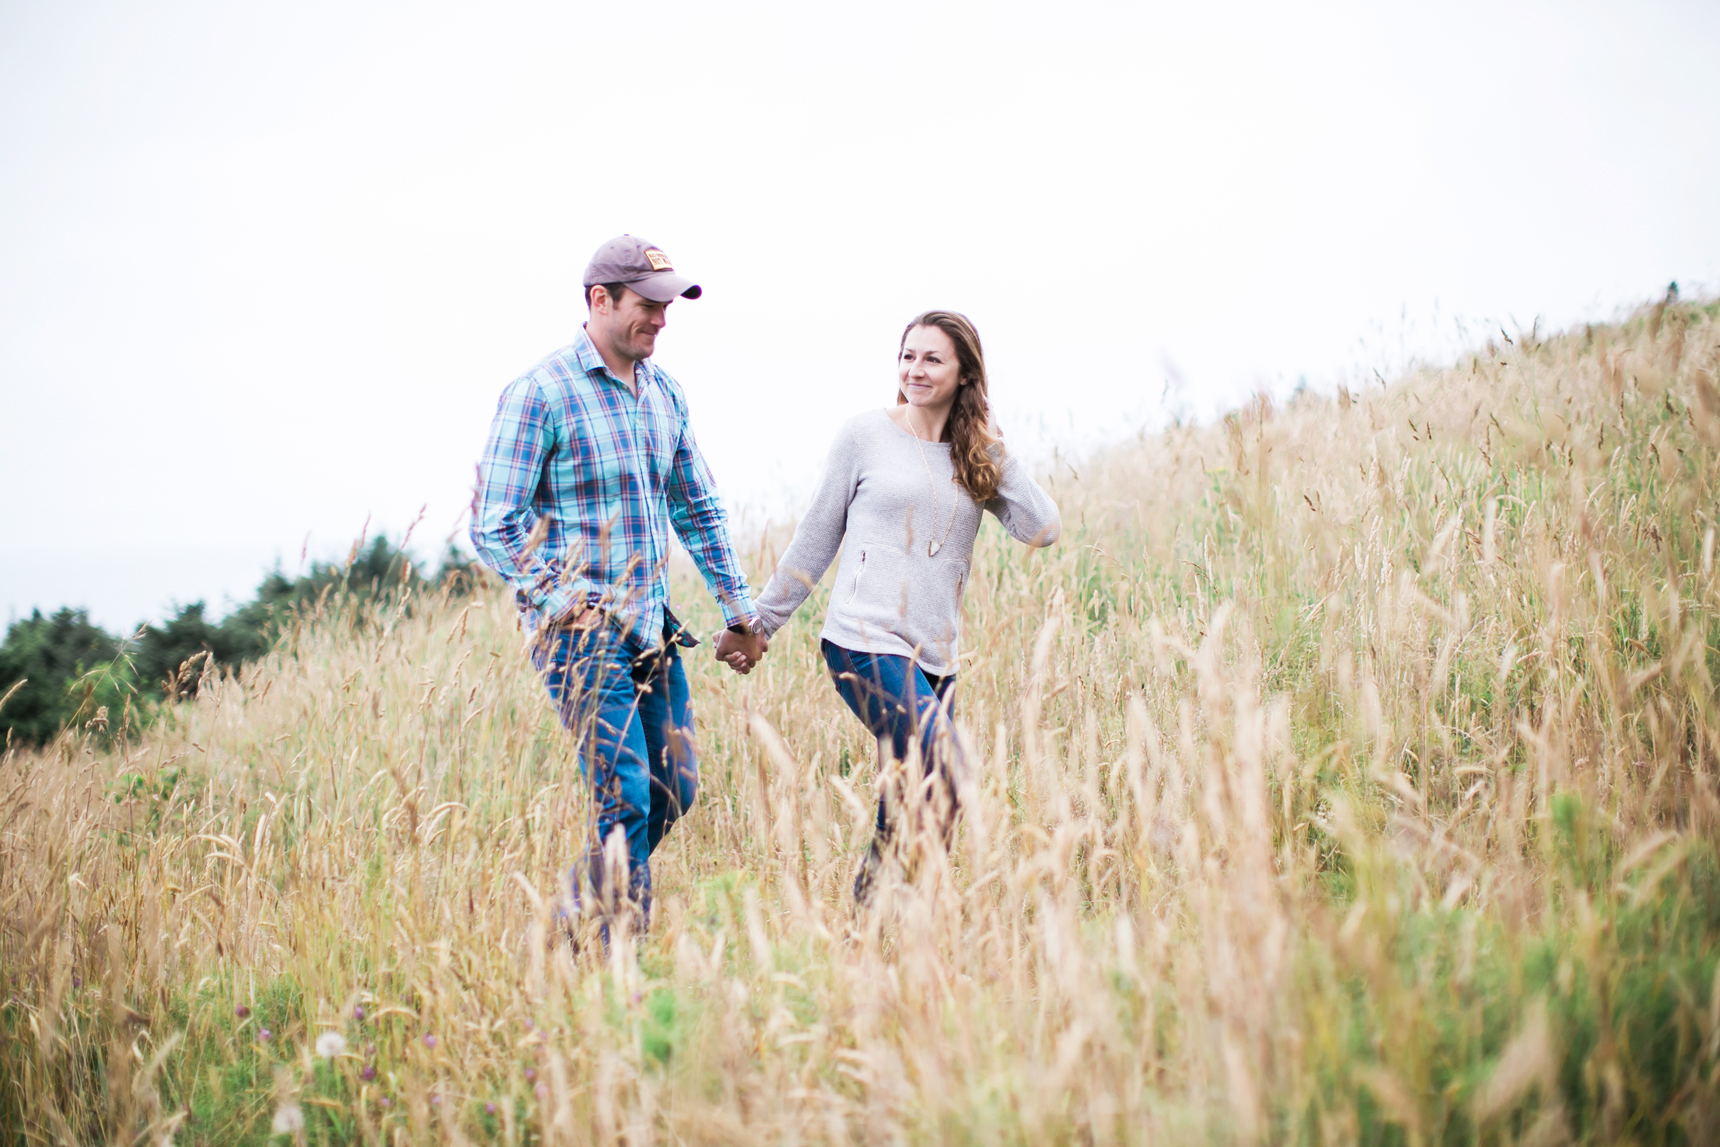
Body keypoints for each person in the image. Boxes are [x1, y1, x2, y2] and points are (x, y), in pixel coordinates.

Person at [470, 235, 766, 933]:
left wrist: (739, 608)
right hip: (579, 632)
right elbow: (495, 522)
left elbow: (696, 506)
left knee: (676, 786)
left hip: (651, 622)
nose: (661, 320)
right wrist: (562, 599)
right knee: (626, 796)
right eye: (648, 305)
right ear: (599, 300)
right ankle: (611, 955)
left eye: (667, 307)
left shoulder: (664, 394)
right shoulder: (540, 393)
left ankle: (575, 913)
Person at [753, 310, 1060, 903]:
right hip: (863, 640)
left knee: (913, 793)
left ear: (965, 373)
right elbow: (817, 534)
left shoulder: (974, 455)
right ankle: (903, 919)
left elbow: (1042, 528)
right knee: (949, 771)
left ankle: (875, 924)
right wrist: (762, 622)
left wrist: (994, 446)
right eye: (907, 356)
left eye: (932, 359)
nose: (914, 370)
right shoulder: (865, 435)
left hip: (934, 653)